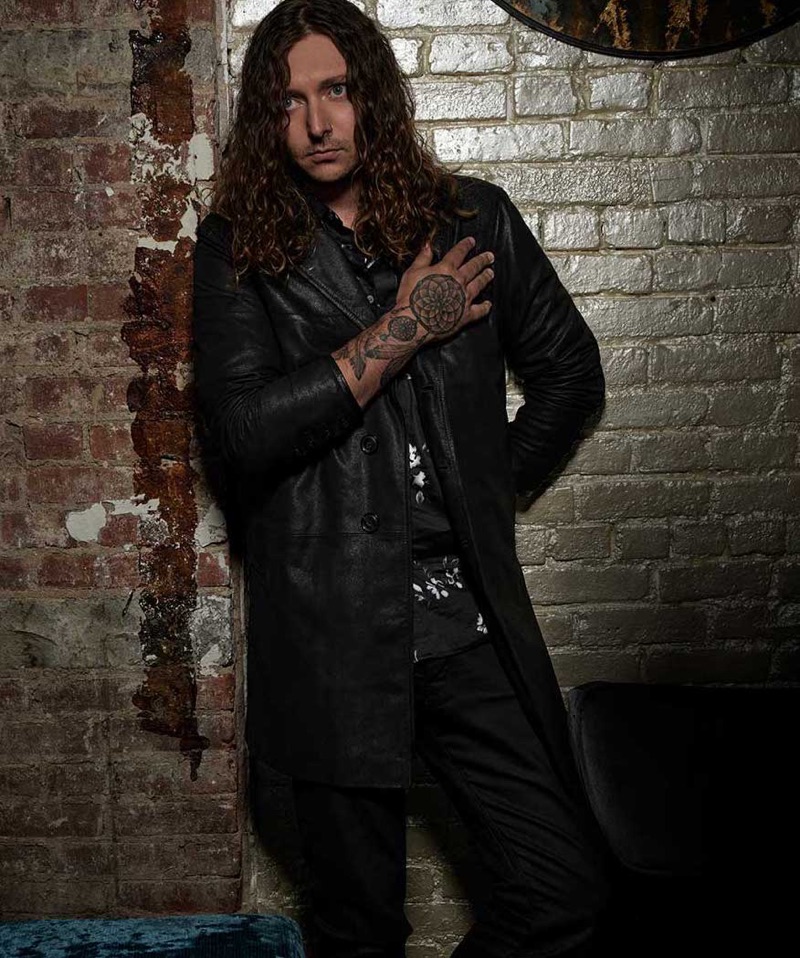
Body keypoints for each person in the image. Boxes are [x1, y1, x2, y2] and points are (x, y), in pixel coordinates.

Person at [192, 1, 612, 956]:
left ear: (372, 94)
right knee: (359, 931)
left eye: (336, 89)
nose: (317, 122)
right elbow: (243, 433)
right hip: (331, 629)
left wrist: (483, 495)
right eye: (289, 101)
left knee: (563, 893)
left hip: (464, 621)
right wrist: (407, 327)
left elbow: (569, 375)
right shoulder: (239, 245)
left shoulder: (473, 218)